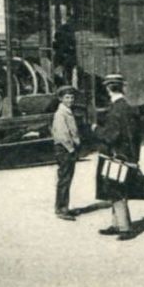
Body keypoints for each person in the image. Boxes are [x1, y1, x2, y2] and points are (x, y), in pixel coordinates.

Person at [95, 73, 142, 240]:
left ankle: (124, 228)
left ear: (108, 88)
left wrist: (96, 130)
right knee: (116, 189)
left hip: (116, 155)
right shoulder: (127, 107)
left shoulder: (115, 110)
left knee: (116, 191)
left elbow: (111, 136)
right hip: (127, 155)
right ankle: (116, 224)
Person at [51, 86, 82, 220]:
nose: (70, 100)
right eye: (67, 98)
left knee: (67, 178)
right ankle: (61, 209)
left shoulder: (66, 111)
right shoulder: (60, 113)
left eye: (72, 97)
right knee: (64, 179)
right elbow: (63, 135)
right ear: (61, 99)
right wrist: (72, 149)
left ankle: (65, 207)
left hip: (67, 149)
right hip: (65, 149)